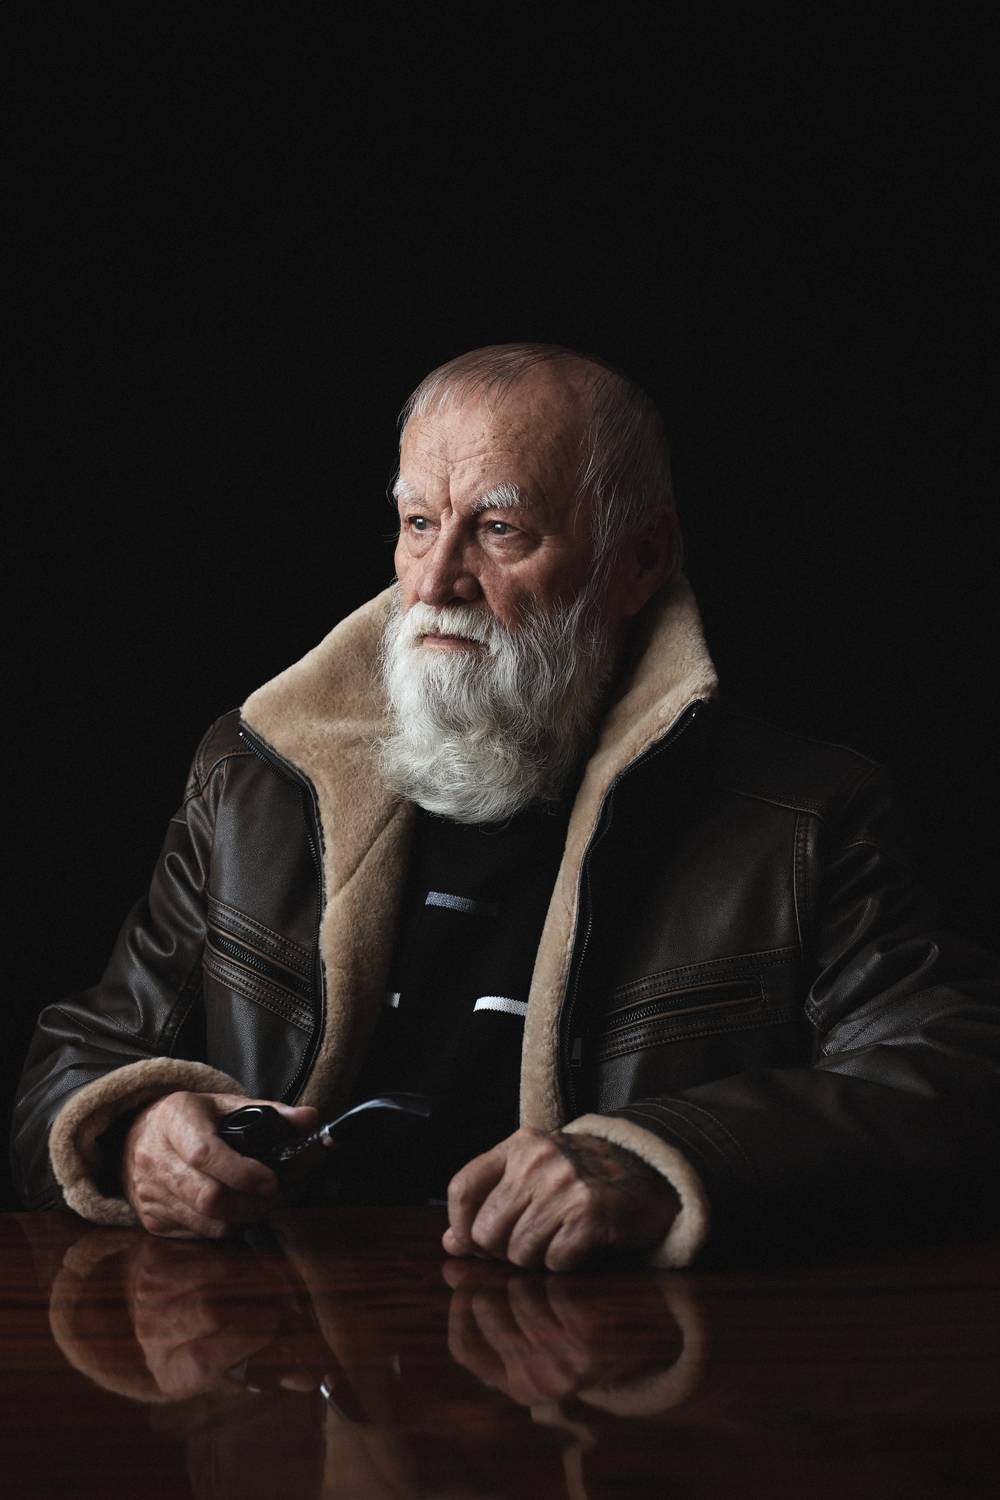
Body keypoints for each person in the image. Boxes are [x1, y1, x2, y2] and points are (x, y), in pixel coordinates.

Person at [12, 344, 1000, 1270]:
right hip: (282, 1356)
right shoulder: (251, 778)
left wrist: (656, 1160)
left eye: (498, 530)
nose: (438, 582)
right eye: (418, 524)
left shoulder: (802, 815)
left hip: (613, 1356)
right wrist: (137, 1132)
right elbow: (77, 1060)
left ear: (639, 560)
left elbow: (956, 1083)